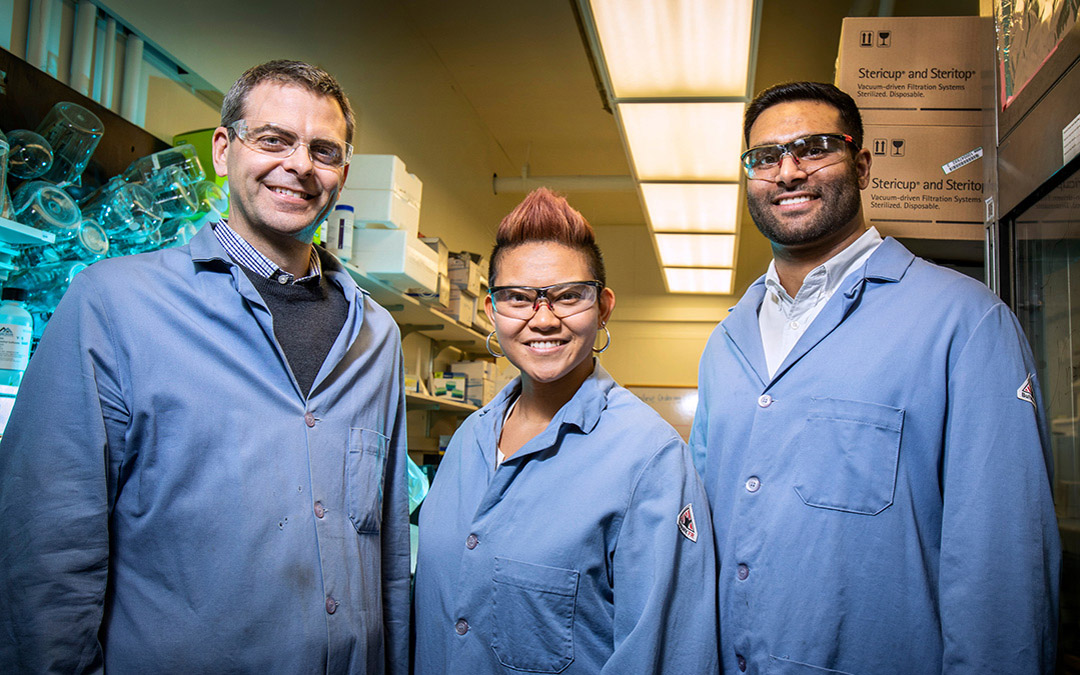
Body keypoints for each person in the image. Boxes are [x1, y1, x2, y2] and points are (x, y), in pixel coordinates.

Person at [0, 60, 410, 673]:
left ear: (342, 173)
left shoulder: (377, 336)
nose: (299, 164)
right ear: (224, 150)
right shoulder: (114, 305)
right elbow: (47, 550)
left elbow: (388, 556)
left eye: (323, 150)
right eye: (273, 139)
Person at [689, 80, 1061, 674]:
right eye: (765, 157)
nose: (787, 172)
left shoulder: (963, 323)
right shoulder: (726, 342)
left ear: (861, 165)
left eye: (813, 148)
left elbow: (1004, 568)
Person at [414, 188, 718, 674]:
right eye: (517, 298)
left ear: (603, 308)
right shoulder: (470, 439)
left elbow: (670, 656)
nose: (543, 319)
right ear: (492, 310)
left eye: (568, 296)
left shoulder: (651, 459)